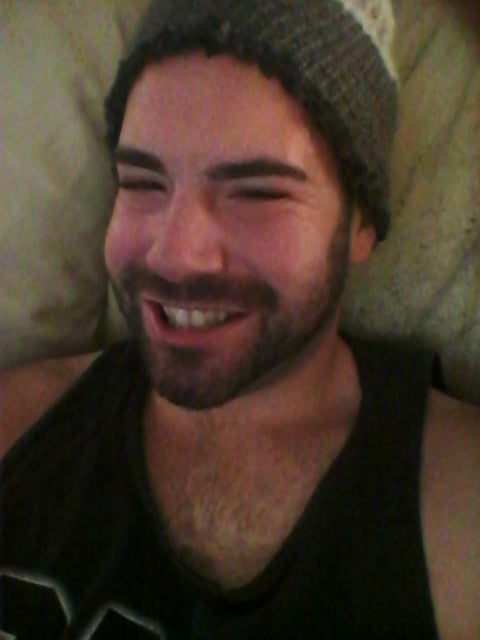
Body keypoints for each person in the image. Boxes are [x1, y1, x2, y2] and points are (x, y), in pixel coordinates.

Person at [1, 1, 479, 638]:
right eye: (142, 181)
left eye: (256, 192)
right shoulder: (15, 427)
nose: (175, 255)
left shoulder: (461, 512)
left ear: (361, 223)